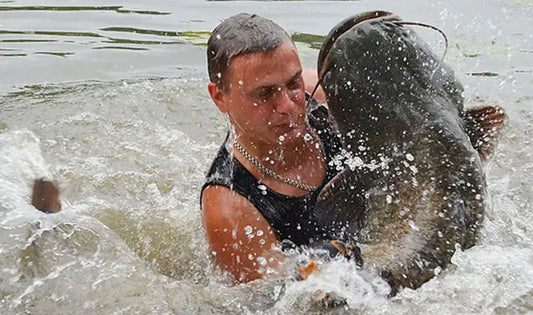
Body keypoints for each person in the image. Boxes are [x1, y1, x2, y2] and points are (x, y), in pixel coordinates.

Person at [201, 13, 351, 283]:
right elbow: (276, 302)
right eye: (264, 94)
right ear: (220, 97)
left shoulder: (318, 93)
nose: (288, 106)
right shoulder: (231, 209)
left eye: (292, 83)